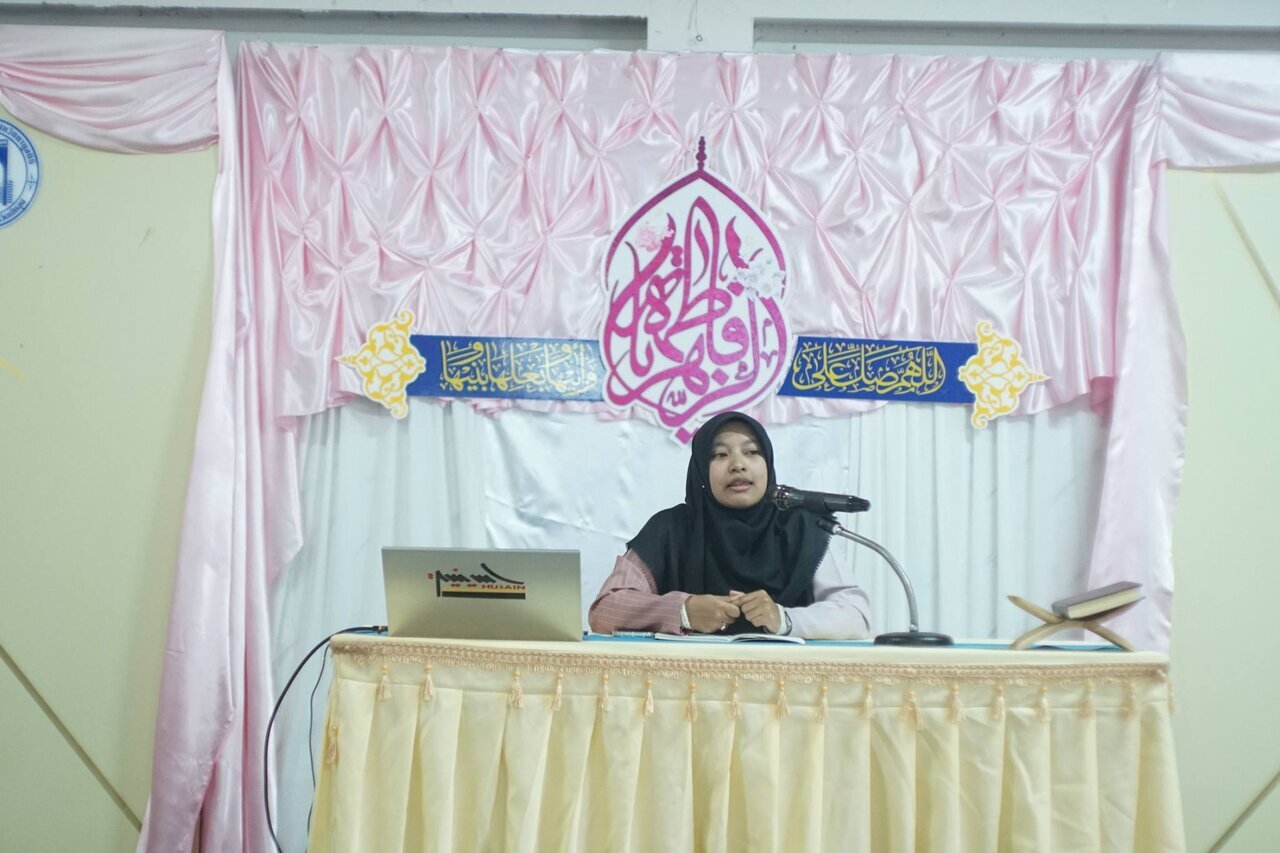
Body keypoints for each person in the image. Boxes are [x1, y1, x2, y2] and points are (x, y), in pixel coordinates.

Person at [588, 411, 871, 639]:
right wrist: (684, 611)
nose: (738, 465)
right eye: (720, 455)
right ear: (701, 470)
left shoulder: (802, 528)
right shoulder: (671, 529)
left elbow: (856, 616)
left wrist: (783, 618)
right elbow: (606, 609)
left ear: (768, 464)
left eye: (752, 452)